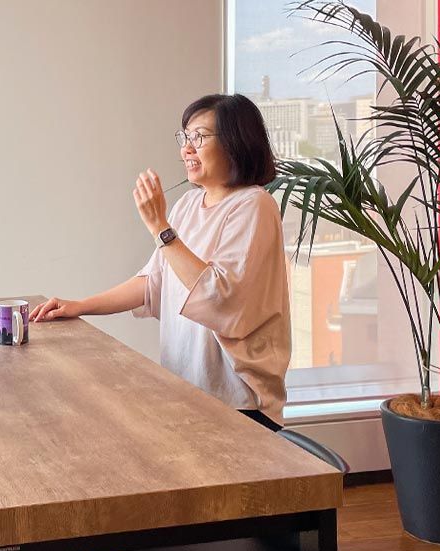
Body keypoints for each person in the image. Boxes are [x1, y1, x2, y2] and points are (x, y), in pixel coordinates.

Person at [31, 94, 290, 430]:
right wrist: (80, 306)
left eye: (199, 137)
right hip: (189, 391)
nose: (187, 149)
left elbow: (219, 298)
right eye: (185, 137)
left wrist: (160, 228)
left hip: (240, 402)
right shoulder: (188, 204)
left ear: (235, 142)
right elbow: (153, 281)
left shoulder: (254, 205)